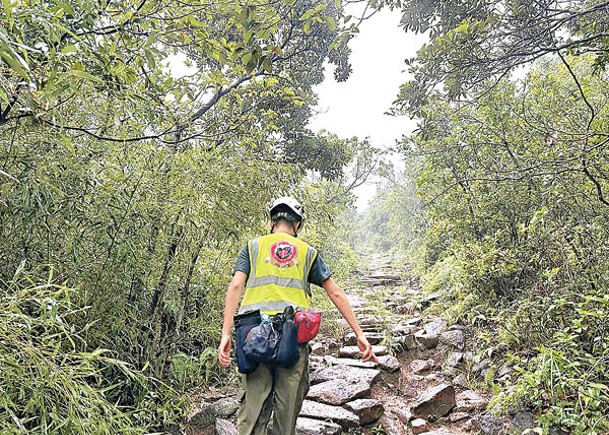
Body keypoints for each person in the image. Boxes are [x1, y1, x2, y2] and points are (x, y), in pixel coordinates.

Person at [217, 196, 377, 435]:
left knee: (252, 414)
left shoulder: (253, 247)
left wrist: (225, 334)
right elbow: (335, 292)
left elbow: (235, 287)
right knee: (287, 412)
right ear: (298, 225)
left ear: (272, 221)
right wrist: (359, 333)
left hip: (254, 339)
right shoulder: (307, 253)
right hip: (292, 339)